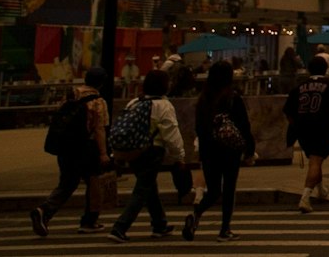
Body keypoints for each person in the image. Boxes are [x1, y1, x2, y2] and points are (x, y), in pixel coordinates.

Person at [31, 65, 112, 236]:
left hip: (66, 147)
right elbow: (99, 130)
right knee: (94, 183)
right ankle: (89, 221)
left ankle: (44, 210)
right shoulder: (98, 101)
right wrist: (104, 153)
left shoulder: (71, 95)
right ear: (102, 83)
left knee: (68, 183)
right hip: (86, 148)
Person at [109, 68, 184, 241]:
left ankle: (160, 224)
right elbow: (171, 134)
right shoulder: (164, 105)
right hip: (152, 151)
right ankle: (120, 227)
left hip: (133, 151)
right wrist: (179, 156)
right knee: (143, 189)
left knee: (149, 187)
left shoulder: (135, 102)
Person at [184, 62, 255, 241]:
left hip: (209, 150)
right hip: (230, 151)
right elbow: (244, 125)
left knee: (214, 190)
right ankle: (225, 229)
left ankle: (197, 213)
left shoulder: (204, 99)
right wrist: (249, 149)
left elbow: (199, 127)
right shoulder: (233, 98)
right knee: (229, 189)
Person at [285, 54, 329, 213]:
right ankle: (305, 197)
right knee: (315, 161)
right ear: (326, 69)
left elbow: (288, 111)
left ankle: (320, 189)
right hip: (322, 126)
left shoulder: (299, 87)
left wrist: (297, 127)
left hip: (304, 128)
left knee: (315, 159)